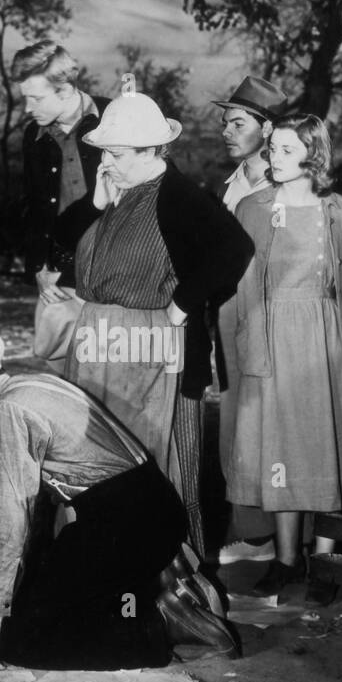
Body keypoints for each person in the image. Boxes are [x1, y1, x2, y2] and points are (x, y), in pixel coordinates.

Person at [0, 325, 241, 672]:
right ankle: (154, 580)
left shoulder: (8, 412)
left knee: (24, 644)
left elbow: (12, 521)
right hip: (143, 511)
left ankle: (162, 622)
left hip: (129, 522)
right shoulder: (24, 385)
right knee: (37, 611)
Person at [61, 91, 254, 555]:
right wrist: (95, 202)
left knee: (168, 476)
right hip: (101, 355)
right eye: (103, 151)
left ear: (151, 151)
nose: (105, 161)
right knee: (102, 474)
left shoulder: (179, 196)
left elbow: (234, 249)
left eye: (116, 153)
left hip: (160, 364)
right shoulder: (114, 190)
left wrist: (183, 304)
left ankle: (176, 597)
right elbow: (61, 242)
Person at [225, 115, 342, 599]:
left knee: (325, 443)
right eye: (272, 150)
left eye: (287, 150)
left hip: (325, 337)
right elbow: (240, 288)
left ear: (313, 154)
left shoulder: (337, 209)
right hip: (273, 337)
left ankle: (325, 564)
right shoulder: (253, 207)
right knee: (282, 449)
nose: (275, 158)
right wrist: (248, 346)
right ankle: (287, 563)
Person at [212, 75, 288, 568]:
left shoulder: (281, 190)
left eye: (238, 122)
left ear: (268, 129)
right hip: (228, 315)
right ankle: (249, 534)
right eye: (225, 122)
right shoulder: (234, 182)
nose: (226, 130)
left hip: (264, 319)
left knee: (264, 427)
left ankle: (266, 543)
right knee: (235, 424)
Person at [12, 40, 110, 301]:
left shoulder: (115, 116)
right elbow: (33, 205)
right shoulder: (33, 134)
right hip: (58, 280)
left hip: (119, 273)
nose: (27, 109)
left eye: (36, 98)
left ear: (65, 90)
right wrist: (39, 268)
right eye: (25, 98)